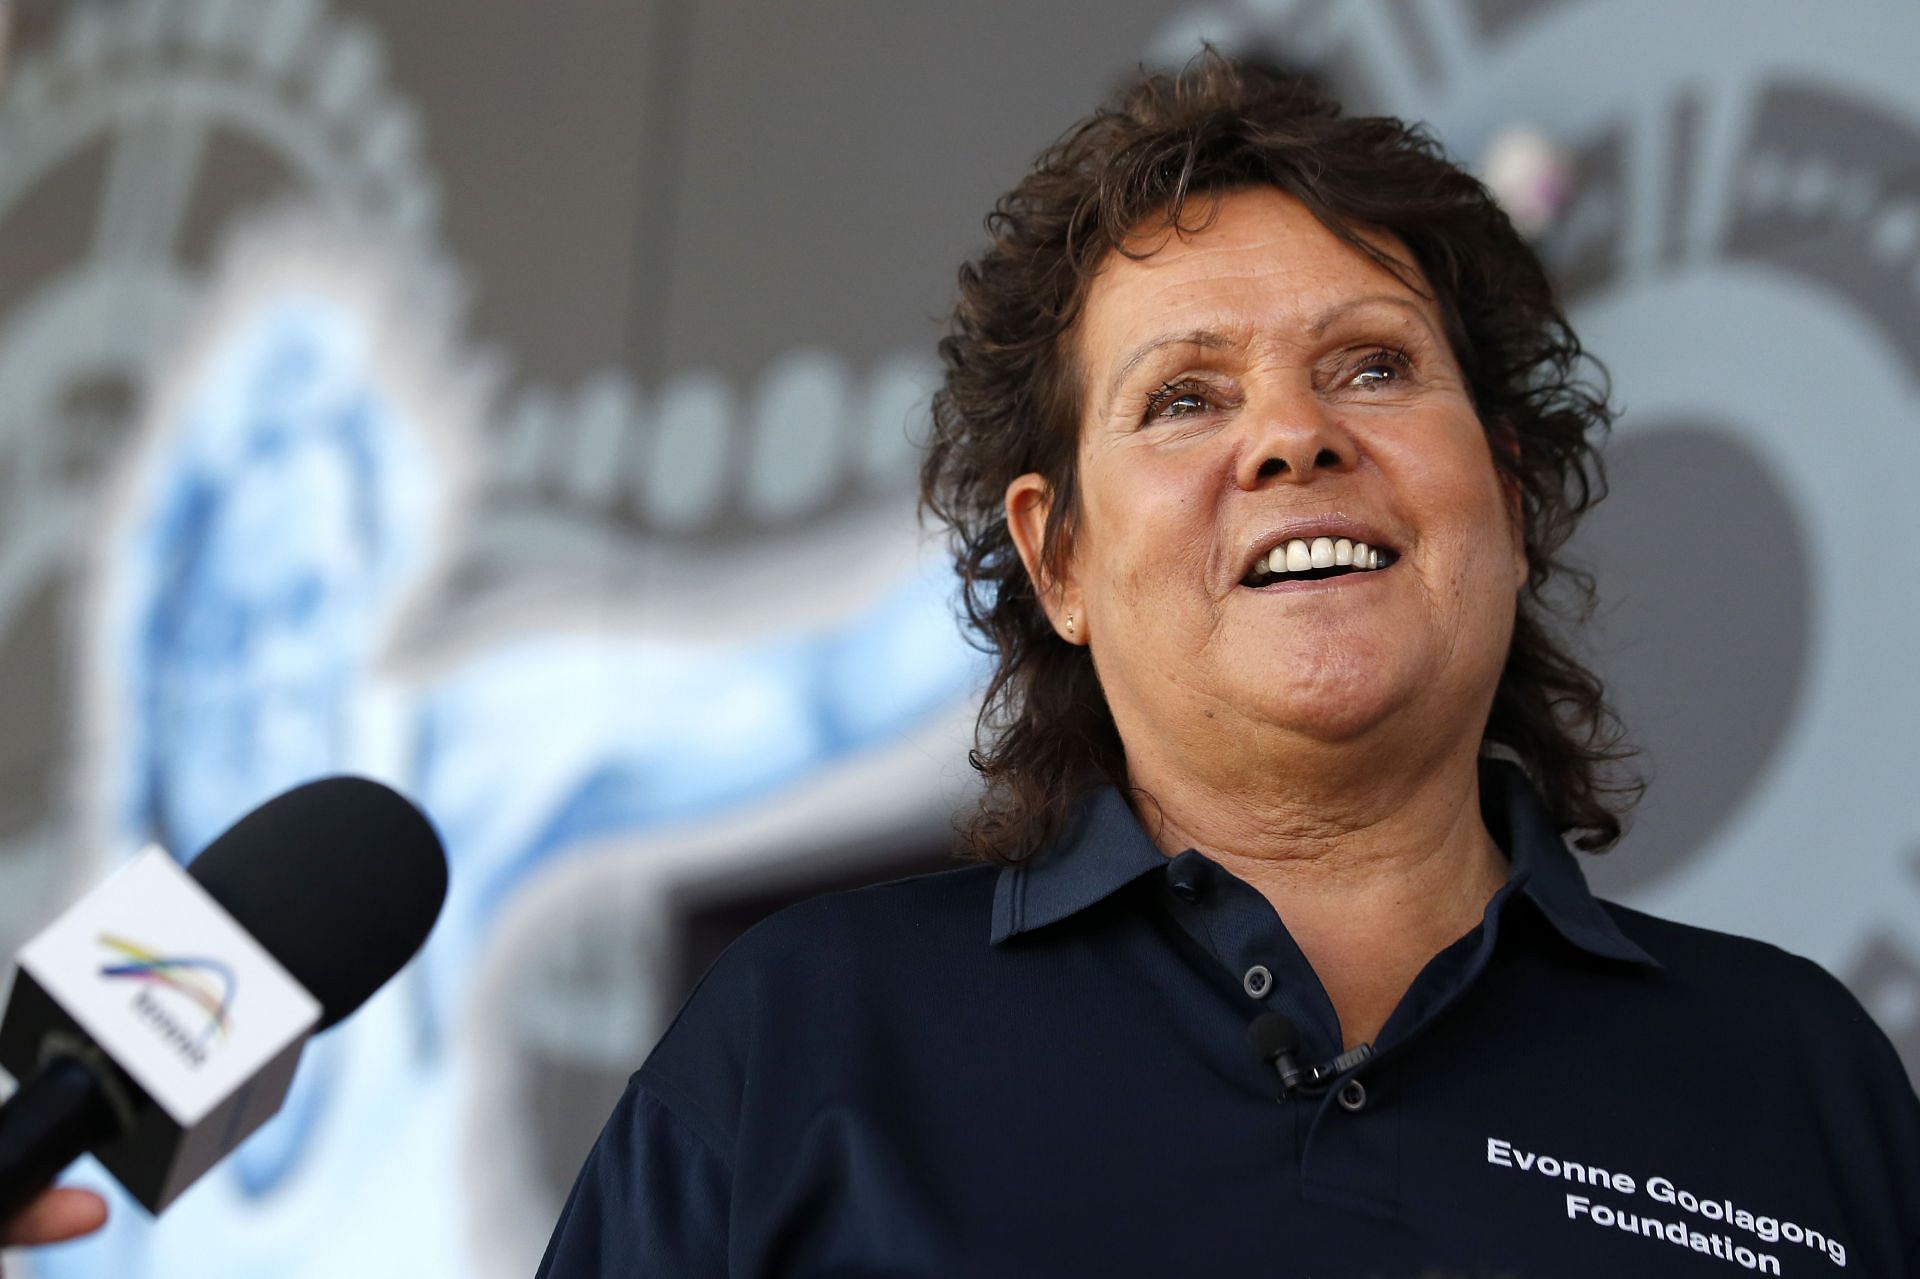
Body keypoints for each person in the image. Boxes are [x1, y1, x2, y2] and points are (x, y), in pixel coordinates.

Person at [535, 52, 1920, 1278]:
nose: (1292, 437)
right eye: (1185, 397)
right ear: (1058, 557)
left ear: (1507, 498)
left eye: (1373, 367)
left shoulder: (1797, 1080)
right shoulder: (805, 1044)